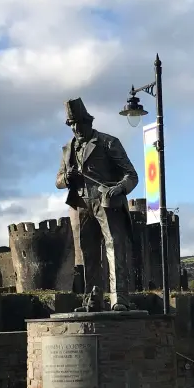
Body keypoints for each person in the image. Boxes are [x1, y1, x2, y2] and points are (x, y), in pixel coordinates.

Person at [56, 98, 138, 311]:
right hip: (81, 204)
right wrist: (67, 177)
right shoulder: (67, 148)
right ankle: (93, 299)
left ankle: (119, 299)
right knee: (88, 252)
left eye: (79, 123)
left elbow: (131, 175)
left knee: (114, 247)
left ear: (88, 122)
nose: (76, 129)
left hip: (107, 203)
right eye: (72, 125)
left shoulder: (108, 142)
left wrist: (118, 188)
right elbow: (57, 181)